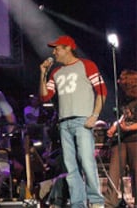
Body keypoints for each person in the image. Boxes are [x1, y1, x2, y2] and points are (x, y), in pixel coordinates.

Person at [39, 35, 107, 208]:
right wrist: (43, 73)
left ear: (68, 47)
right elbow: (45, 95)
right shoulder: (55, 72)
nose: (54, 52)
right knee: (70, 167)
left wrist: (95, 115)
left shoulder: (86, 65)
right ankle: (78, 203)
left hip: (82, 120)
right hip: (64, 123)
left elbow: (102, 91)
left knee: (86, 161)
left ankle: (96, 201)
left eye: (57, 48)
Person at [105, 101, 137, 208]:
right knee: (114, 171)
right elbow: (123, 117)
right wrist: (114, 127)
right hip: (121, 139)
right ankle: (110, 203)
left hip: (135, 139)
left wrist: (128, 128)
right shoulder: (123, 96)